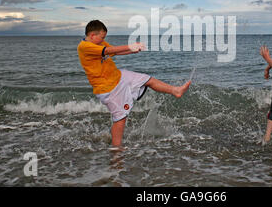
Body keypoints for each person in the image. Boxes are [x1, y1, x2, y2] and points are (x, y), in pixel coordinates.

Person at [77, 20, 191, 149]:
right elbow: (108, 50)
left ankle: (175, 90)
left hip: (119, 76)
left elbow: (115, 52)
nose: (103, 40)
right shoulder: (84, 47)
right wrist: (131, 45)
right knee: (120, 119)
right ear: (92, 35)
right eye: (102, 37)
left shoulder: (98, 42)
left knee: (148, 80)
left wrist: (133, 50)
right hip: (109, 88)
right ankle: (116, 150)